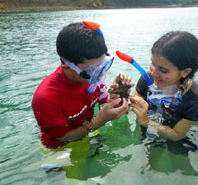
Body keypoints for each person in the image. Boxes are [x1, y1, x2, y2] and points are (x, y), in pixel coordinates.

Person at [32, 21, 132, 150]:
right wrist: (99, 121)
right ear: (67, 64)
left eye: (102, 65)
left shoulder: (92, 79)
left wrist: (117, 96)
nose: (100, 75)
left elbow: (104, 103)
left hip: (89, 130)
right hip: (59, 147)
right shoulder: (46, 98)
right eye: (92, 69)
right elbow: (62, 137)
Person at [129, 31, 198, 142]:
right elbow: (132, 107)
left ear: (185, 72)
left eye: (163, 70)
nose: (153, 74)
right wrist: (121, 95)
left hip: (181, 143)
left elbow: (177, 135)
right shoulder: (146, 80)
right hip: (150, 131)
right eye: (153, 63)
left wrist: (145, 121)